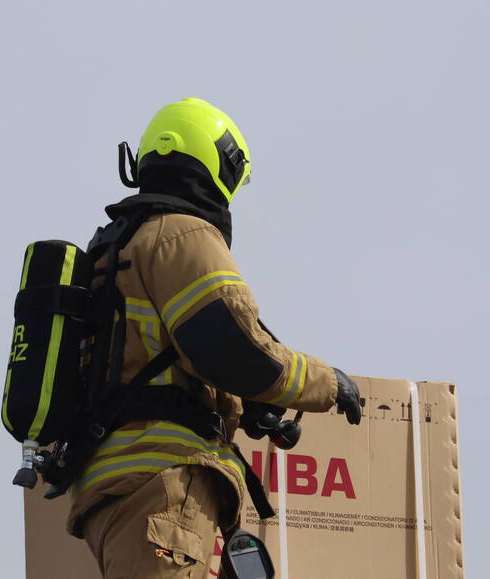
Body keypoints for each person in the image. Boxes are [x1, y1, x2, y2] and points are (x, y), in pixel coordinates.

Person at [65, 97, 363, 578]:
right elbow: (235, 351)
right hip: (162, 478)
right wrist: (329, 384)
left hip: (119, 481)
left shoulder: (119, 246)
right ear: (218, 163)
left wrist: (242, 406)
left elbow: (154, 360)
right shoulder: (182, 235)